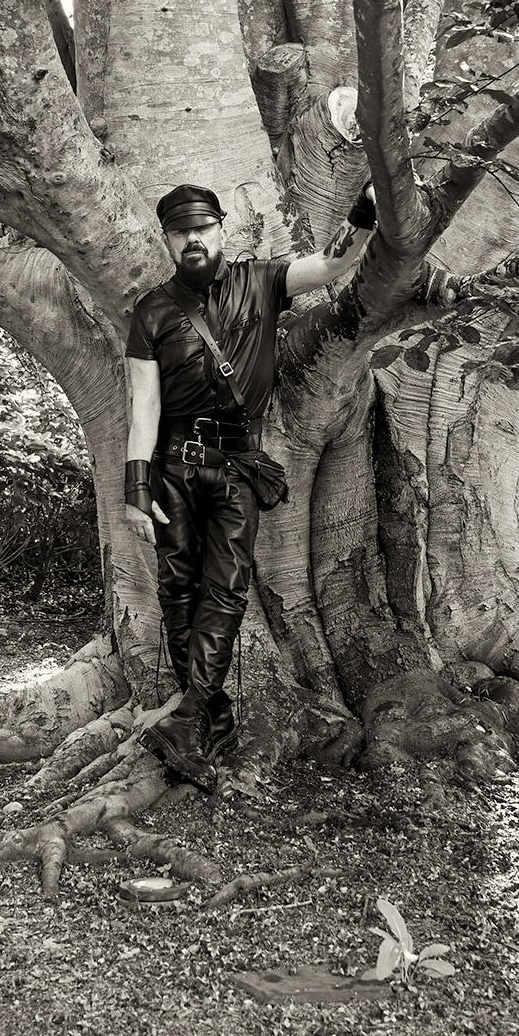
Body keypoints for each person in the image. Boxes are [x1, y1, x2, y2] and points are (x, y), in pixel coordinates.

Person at [123, 180, 376, 784]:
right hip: (172, 468)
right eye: (180, 231)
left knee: (226, 588)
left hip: (239, 466)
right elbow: (143, 407)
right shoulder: (151, 311)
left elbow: (334, 263)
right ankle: (206, 716)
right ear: (167, 240)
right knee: (177, 592)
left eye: (202, 228)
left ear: (221, 230)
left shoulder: (262, 281)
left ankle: (193, 716)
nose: (192, 239)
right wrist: (136, 489)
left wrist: (366, 211)